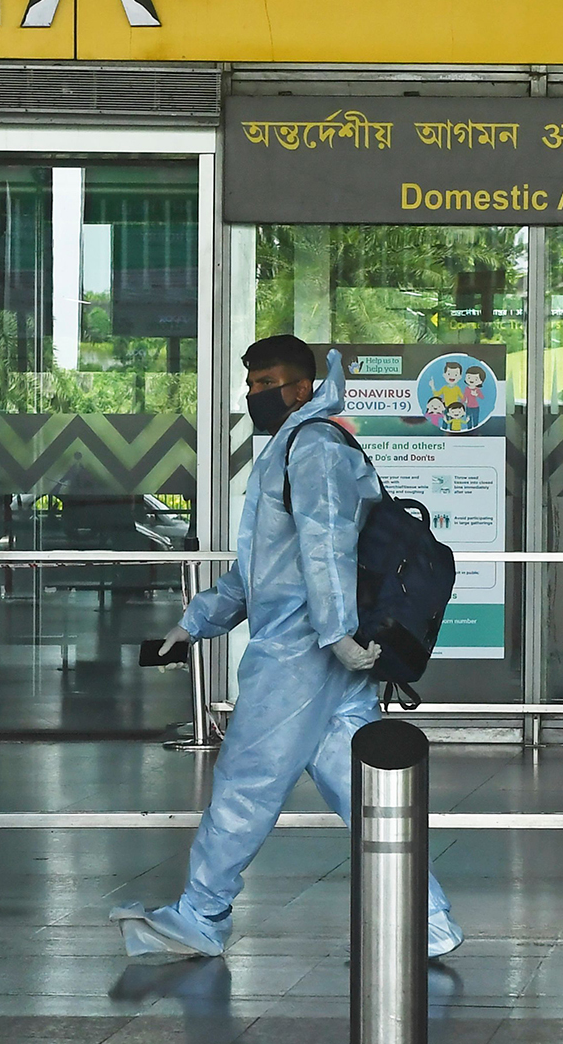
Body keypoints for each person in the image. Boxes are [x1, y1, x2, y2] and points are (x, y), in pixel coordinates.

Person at [114, 335, 464, 959]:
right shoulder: (297, 445)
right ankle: (430, 920)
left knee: (247, 779)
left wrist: (335, 636)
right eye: (249, 385)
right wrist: (196, 623)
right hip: (326, 652)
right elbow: (263, 569)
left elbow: (325, 549)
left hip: (302, 652)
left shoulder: (315, 448)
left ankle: (201, 912)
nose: (256, 395)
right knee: (363, 793)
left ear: (302, 387)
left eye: (266, 383)